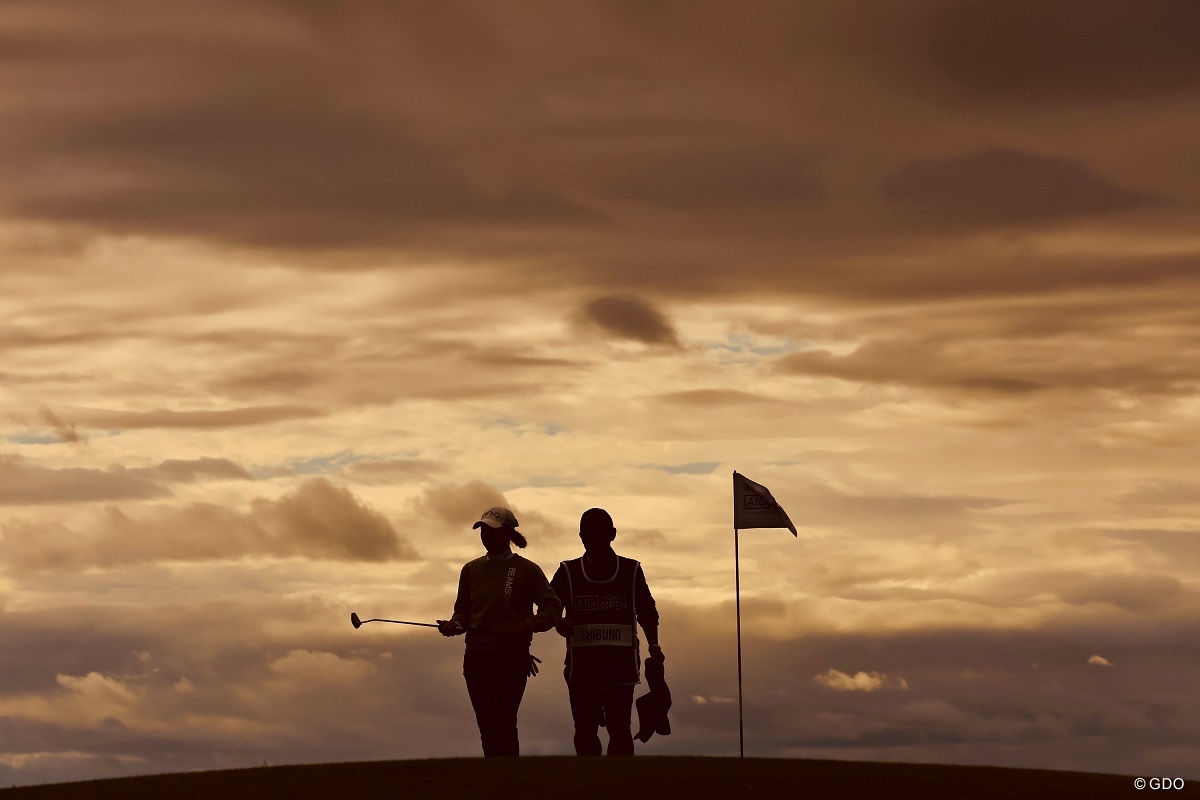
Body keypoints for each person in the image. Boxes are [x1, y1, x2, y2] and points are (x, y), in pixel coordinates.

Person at [437, 505, 562, 757]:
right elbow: (462, 612)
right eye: (483, 530)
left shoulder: (528, 570)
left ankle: (507, 778)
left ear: (507, 533)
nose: (486, 535)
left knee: (504, 721)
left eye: (492, 531)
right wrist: (455, 626)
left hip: (512, 657)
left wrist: (524, 626)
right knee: (486, 724)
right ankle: (495, 777)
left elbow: (552, 609)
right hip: (476, 657)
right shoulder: (470, 570)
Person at [550, 507, 661, 756]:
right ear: (581, 536)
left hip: (620, 667)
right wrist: (558, 621)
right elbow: (547, 607)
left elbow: (647, 611)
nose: (595, 539)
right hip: (582, 666)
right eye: (590, 534)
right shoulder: (568, 572)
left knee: (619, 726)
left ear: (612, 534)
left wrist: (655, 647)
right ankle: (592, 785)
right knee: (585, 728)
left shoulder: (631, 571)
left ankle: (617, 785)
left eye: (600, 533)